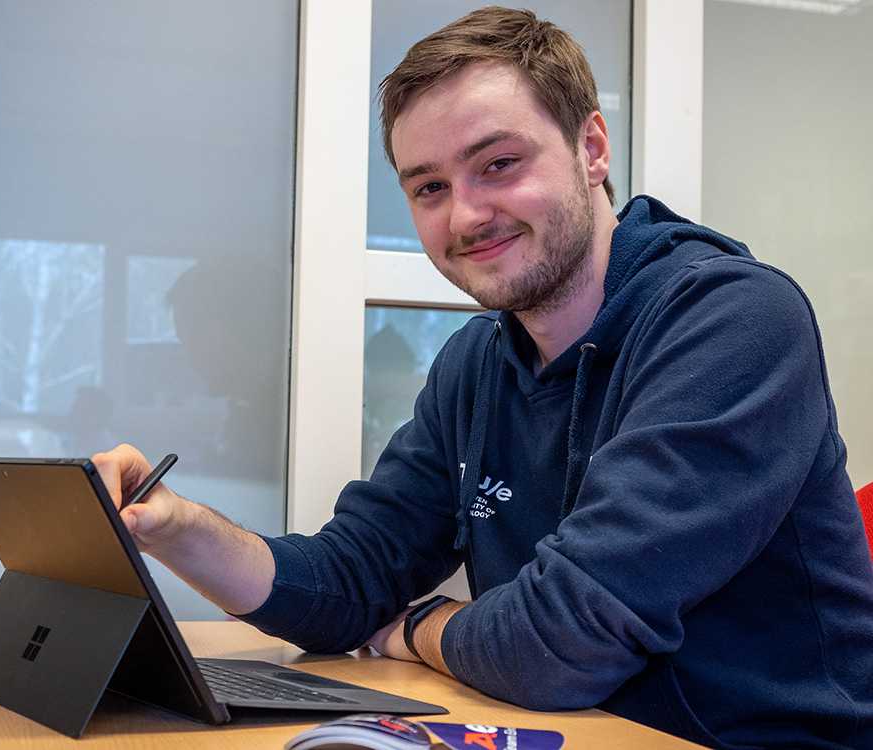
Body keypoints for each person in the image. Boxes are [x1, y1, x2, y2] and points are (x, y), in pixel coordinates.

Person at [93, 7, 873, 748]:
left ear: (592, 148)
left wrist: (419, 628)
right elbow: (352, 578)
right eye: (429, 188)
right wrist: (176, 527)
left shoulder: (732, 321)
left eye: (498, 164)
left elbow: (565, 641)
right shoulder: (476, 362)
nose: (464, 217)